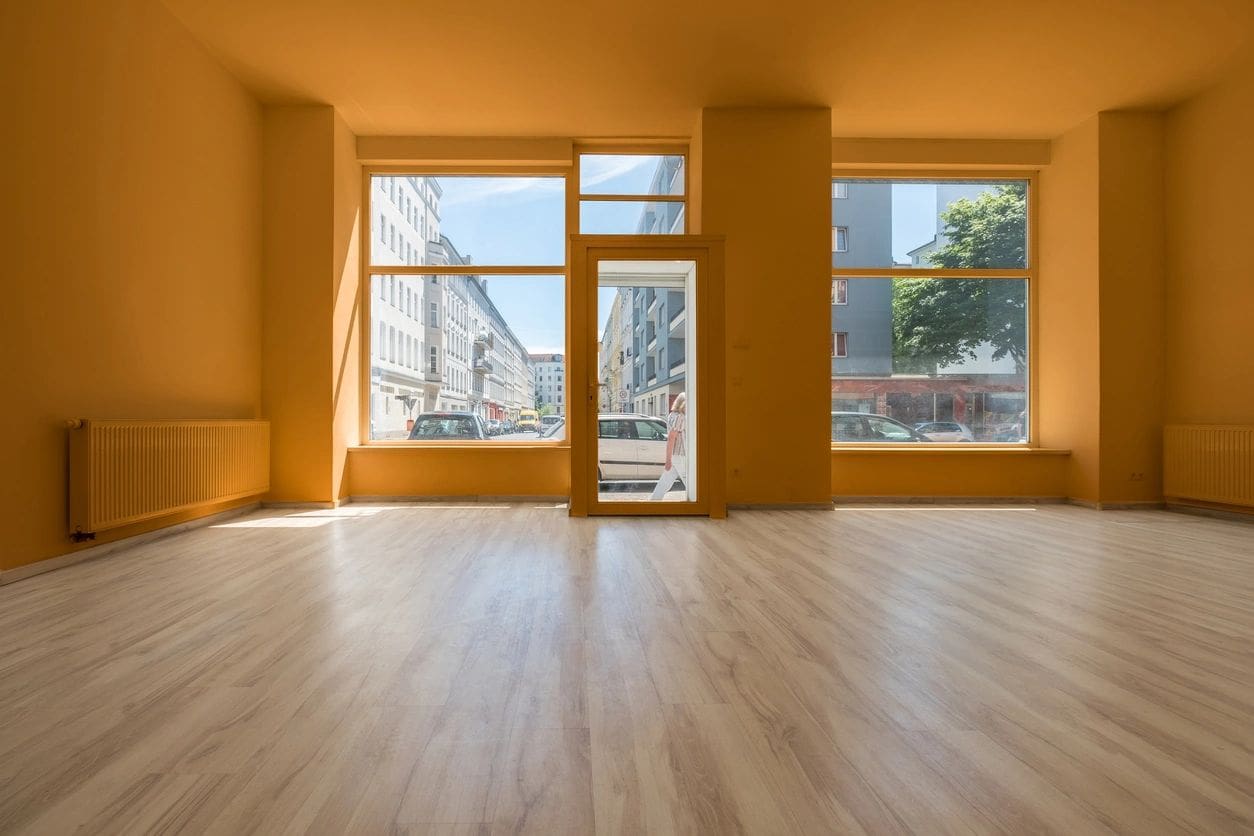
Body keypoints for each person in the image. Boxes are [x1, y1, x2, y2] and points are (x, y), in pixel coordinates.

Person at [650, 392, 687, 500]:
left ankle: (653, 502)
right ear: (683, 404)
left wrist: (669, 459)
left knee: (665, 482)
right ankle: (697, 503)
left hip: (676, 455)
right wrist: (668, 460)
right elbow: (671, 438)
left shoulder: (672, 415)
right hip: (681, 455)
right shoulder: (680, 417)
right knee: (691, 482)